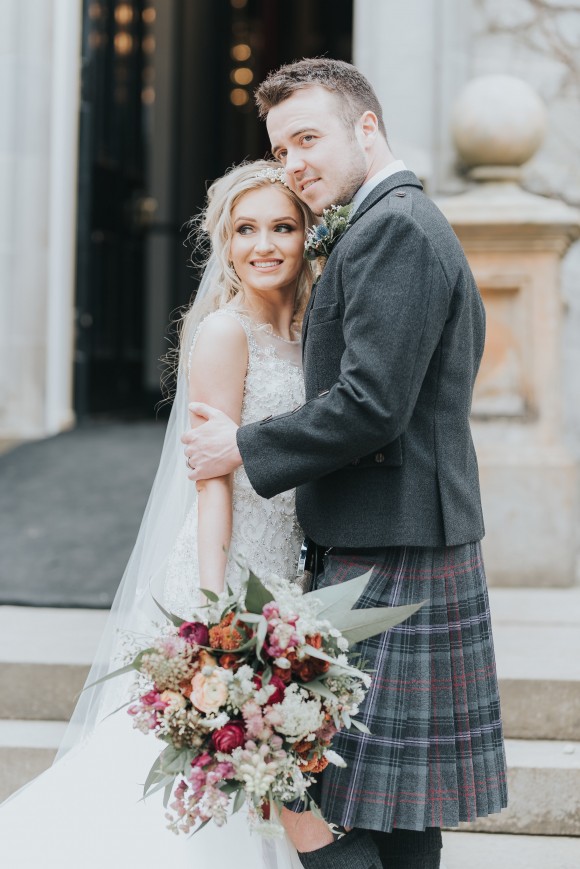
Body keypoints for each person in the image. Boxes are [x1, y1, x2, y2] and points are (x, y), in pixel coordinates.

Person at [182, 58, 508, 869]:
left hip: (393, 538)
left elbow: (371, 403)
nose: (294, 161)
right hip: (391, 529)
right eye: (281, 146)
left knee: (340, 790)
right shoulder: (384, 222)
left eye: (307, 138)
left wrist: (244, 447)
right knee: (391, 804)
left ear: (366, 127)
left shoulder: (395, 226)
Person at [0, 160, 314, 869]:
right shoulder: (226, 334)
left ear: (306, 236)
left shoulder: (306, 333)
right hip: (224, 569)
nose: (264, 245)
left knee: (255, 763)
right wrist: (214, 609)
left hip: (284, 571)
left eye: (283, 227)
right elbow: (210, 482)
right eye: (246, 229)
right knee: (191, 761)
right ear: (224, 243)